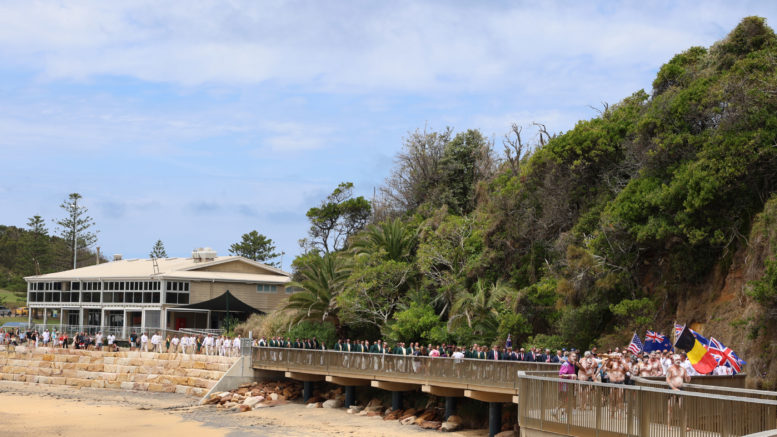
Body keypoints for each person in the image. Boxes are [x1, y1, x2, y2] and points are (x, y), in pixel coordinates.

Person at [666, 354, 690, 427]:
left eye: (679, 360)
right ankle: (669, 426)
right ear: (673, 361)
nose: (678, 361)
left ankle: (684, 426)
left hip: (681, 389)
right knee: (670, 409)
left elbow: (686, 380)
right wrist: (673, 388)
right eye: (676, 360)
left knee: (682, 407)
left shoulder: (683, 369)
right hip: (672, 389)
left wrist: (688, 378)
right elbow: (667, 379)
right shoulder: (670, 369)